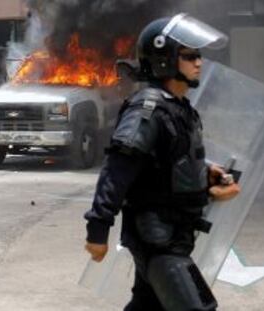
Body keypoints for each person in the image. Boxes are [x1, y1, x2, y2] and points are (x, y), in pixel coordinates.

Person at [84, 13, 240, 311]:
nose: (199, 62)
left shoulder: (179, 109)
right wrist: (98, 229)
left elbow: (167, 165)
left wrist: (207, 176)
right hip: (157, 238)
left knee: (148, 306)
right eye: (190, 56)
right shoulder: (148, 109)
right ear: (165, 60)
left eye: (199, 55)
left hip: (176, 233)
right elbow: (118, 169)